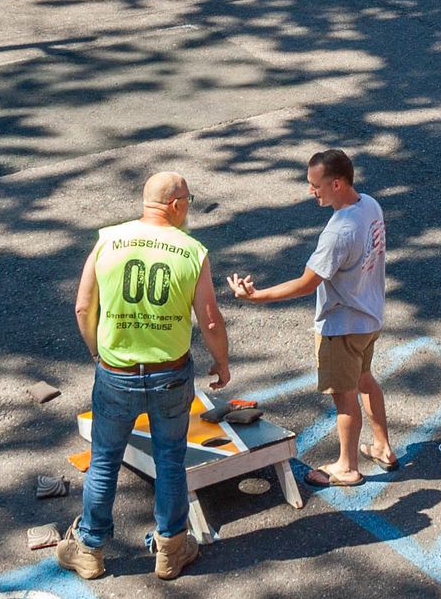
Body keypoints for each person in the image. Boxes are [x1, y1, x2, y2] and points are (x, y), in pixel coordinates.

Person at [56, 172, 231, 582]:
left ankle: (90, 550)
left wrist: (99, 352)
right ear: (175, 204)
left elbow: (83, 308)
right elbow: (209, 319)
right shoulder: (191, 250)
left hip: (115, 373)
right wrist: (221, 362)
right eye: (188, 200)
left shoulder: (108, 240)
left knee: (104, 461)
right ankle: (171, 550)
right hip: (169, 373)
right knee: (171, 460)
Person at [228, 149, 395, 487]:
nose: (310, 191)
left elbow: (306, 284)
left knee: (345, 397)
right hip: (369, 318)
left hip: (341, 327)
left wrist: (256, 296)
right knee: (365, 380)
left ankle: (346, 467)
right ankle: (382, 447)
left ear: (336, 183)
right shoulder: (371, 205)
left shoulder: (337, 233)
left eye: (315, 185)